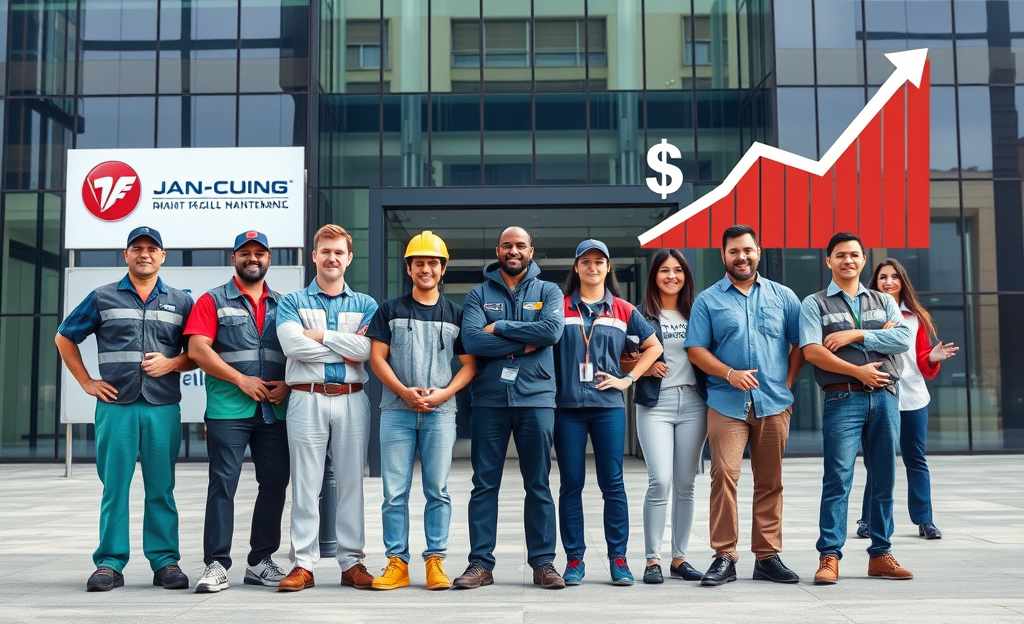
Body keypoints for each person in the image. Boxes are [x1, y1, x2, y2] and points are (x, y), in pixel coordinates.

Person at [55, 226, 195, 592]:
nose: (145, 254)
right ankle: (110, 563)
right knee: (114, 486)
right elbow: (64, 336)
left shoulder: (181, 301)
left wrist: (172, 364)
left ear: (163, 256)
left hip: (161, 407)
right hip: (116, 405)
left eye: (152, 248)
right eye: (137, 248)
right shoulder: (102, 297)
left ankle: (165, 561)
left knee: (161, 487)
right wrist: (86, 382)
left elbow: (197, 353)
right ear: (126, 254)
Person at [684, 225, 804, 587]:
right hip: (726, 402)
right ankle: (724, 556)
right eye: (734, 251)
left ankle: (767, 557)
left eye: (748, 250)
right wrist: (729, 373)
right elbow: (696, 349)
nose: (742, 257)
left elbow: (800, 344)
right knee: (724, 476)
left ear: (758, 251)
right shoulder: (708, 300)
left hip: (773, 404)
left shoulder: (784, 296)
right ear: (723, 256)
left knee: (770, 481)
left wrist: (787, 384)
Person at [452, 226, 566, 590]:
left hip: (536, 397)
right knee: (484, 484)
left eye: (520, 245)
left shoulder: (549, 290)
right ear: (498, 250)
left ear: (531, 251)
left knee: (538, 483)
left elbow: (550, 332)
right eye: (507, 245)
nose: (513, 250)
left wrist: (499, 327)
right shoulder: (477, 294)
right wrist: (524, 343)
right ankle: (480, 564)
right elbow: (471, 339)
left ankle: (543, 564)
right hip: (489, 398)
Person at [800, 232, 915, 585]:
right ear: (828, 261)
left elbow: (904, 339)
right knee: (838, 478)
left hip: (885, 397)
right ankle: (829, 556)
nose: (847, 260)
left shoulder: (883, 300)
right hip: (842, 397)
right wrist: (857, 369)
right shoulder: (814, 303)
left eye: (854, 255)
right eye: (840, 255)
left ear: (864, 260)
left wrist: (857, 336)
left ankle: (881, 555)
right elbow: (812, 351)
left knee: (884, 477)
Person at [365, 231, 477, 591]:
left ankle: (435, 561)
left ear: (443, 269)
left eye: (433, 263)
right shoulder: (390, 310)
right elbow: (376, 358)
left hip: (440, 414)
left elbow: (470, 365)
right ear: (409, 268)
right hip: (396, 411)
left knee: (437, 490)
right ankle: (397, 563)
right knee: (393, 492)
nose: (426, 269)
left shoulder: (457, 314)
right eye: (419, 263)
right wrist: (403, 392)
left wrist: (444, 394)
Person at [184, 230, 291, 593]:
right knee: (223, 485)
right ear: (234, 258)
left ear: (268, 259)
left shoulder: (284, 304)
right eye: (245, 253)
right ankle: (216, 564)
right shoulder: (212, 300)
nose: (252, 258)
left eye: (259, 253)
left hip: (273, 412)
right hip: (228, 411)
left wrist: (289, 385)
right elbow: (198, 350)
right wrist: (240, 380)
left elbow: (299, 354)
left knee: (275, 484)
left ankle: (261, 561)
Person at [274, 224, 378, 592]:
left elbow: (369, 352)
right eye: (325, 251)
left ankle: (352, 563)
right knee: (305, 483)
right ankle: (303, 565)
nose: (331, 258)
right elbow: (292, 347)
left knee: (351, 482)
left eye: (339, 252)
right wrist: (344, 346)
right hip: (306, 396)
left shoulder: (366, 304)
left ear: (349, 258)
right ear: (314, 256)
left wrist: (319, 337)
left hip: (352, 398)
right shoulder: (291, 302)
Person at [553, 239, 662, 586]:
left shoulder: (624, 310)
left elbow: (654, 345)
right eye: (585, 261)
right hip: (566, 407)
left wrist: (627, 379)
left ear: (608, 267)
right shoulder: (559, 307)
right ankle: (574, 559)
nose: (593, 267)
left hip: (607, 408)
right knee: (571, 485)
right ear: (576, 267)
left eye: (599, 261)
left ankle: (618, 558)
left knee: (612, 485)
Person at [854, 259, 958, 541]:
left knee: (916, 458)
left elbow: (921, 363)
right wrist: (882, 333)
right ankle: (867, 519)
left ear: (902, 282)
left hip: (913, 396)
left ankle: (925, 520)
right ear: (874, 282)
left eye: (894, 277)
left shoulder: (915, 318)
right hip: (879, 392)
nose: (889, 282)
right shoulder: (865, 314)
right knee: (876, 460)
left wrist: (932, 358)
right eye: (883, 277)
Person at [633, 249, 707, 585]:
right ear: (654, 276)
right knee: (659, 481)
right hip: (655, 404)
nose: (672, 276)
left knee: (685, 485)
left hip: (693, 403)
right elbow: (617, 358)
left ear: (686, 276)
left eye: (678, 270)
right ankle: (652, 559)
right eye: (665, 270)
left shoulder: (698, 312)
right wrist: (645, 368)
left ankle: (679, 557)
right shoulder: (639, 314)